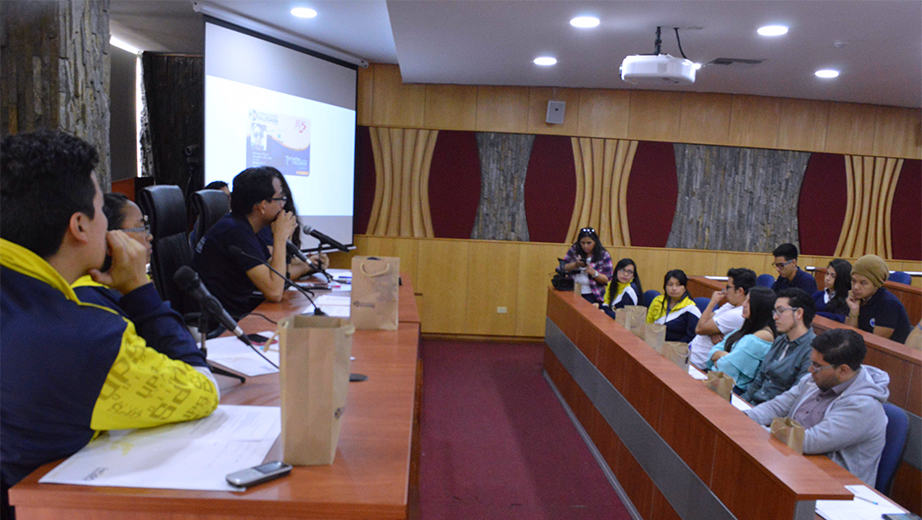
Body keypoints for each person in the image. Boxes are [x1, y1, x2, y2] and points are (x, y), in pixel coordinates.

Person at [0, 131, 218, 516]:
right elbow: (203, 390)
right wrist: (139, 288)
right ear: (80, 226)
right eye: (102, 210)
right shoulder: (85, 337)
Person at [744, 329, 889, 487]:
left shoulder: (863, 406)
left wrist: (760, 434)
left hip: (833, 486)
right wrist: (743, 420)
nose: (810, 370)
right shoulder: (814, 380)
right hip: (794, 463)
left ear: (843, 370)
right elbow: (776, 407)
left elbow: (809, 442)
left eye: (817, 366)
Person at [193, 166, 317, 318]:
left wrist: (302, 262)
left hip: (239, 314)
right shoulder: (236, 232)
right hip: (224, 323)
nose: (283, 205)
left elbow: (275, 272)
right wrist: (280, 238)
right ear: (262, 206)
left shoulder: (245, 226)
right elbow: (275, 292)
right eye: (280, 199)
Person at [743, 288, 818, 405]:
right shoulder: (780, 340)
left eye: (781, 311)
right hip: (754, 404)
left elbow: (795, 396)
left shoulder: (812, 349)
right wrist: (741, 402)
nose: (775, 317)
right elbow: (758, 380)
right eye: (774, 311)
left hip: (772, 413)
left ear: (798, 313)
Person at [705, 287, 776, 393]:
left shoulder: (762, 336)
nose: (744, 304)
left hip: (735, 391)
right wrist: (723, 356)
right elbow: (712, 353)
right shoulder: (748, 328)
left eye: (749, 301)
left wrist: (720, 356)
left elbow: (725, 368)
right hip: (720, 382)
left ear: (760, 307)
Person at [688, 268, 756, 369]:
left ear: (739, 291)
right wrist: (711, 331)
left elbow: (699, 328)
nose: (725, 290)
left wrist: (712, 302)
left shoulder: (738, 314)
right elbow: (704, 321)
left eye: (728, 287)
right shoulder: (730, 305)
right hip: (690, 354)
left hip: (700, 365)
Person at [845, 255, 911, 343]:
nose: (856, 287)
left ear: (876, 284)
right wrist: (854, 311)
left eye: (863, 283)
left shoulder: (888, 304)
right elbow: (848, 335)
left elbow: (876, 344)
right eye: (853, 281)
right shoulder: (856, 298)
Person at [645, 269, 701, 343]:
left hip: (677, 349)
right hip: (654, 343)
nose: (674, 288)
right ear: (665, 287)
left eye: (678, 285)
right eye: (670, 284)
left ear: (684, 288)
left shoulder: (691, 309)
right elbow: (648, 324)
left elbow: (692, 337)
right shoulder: (657, 301)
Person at [562, 227, 612, 305]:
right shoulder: (574, 250)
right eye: (583, 243)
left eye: (589, 243)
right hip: (573, 291)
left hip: (593, 294)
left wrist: (594, 273)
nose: (585, 246)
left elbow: (607, 279)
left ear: (595, 242)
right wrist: (575, 264)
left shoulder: (603, 254)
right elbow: (562, 268)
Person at [812, 259, 851, 323]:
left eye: (833, 276)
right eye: (827, 274)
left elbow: (842, 318)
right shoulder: (817, 296)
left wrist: (816, 315)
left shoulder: (847, 299)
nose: (827, 278)